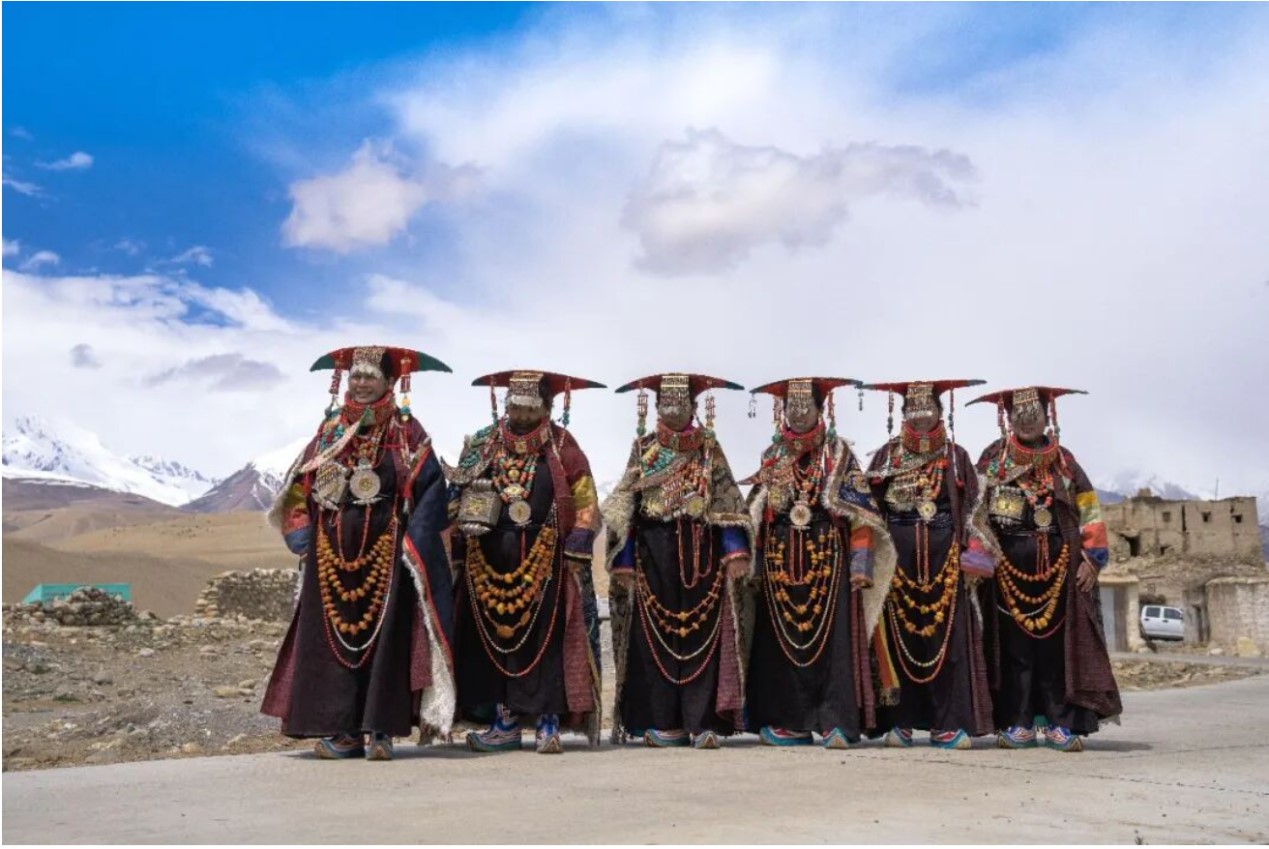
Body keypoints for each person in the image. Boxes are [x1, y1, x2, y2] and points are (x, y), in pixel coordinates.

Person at [261, 345, 456, 761]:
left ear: (390, 382)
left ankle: (381, 731)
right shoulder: (330, 431)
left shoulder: (407, 432)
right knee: (331, 645)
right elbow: (298, 487)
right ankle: (344, 732)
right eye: (357, 376)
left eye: (371, 376)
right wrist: (302, 535)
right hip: (330, 556)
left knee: (386, 643)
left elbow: (431, 489)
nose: (363, 383)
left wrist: (415, 541)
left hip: (386, 557)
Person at [446, 370, 605, 754]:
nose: (520, 411)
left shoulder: (564, 446)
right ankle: (505, 723)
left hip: (547, 562)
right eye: (514, 403)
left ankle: (548, 722)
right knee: (495, 643)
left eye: (529, 405)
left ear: (547, 407)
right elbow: (456, 495)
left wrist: (577, 548)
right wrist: (463, 524)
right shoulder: (483, 443)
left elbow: (586, 501)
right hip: (487, 560)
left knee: (546, 642)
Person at [742, 377, 897, 748]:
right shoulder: (772, 456)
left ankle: (836, 722)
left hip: (829, 561)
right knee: (781, 645)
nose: (798, 414)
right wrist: (755, 563)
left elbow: (862, 513)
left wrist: (861, 565)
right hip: (780, 564)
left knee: (834, 646)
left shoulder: (838, 453)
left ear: (819, 408)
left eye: (804, 407)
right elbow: (758, 511)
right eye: (791, 408)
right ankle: (790, 721)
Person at [601, 373, 753, 749]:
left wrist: (735, 550)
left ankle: (703, 722)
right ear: (656, 407)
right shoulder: (644, 449)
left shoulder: (708, 449)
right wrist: (622, 559)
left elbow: (725, 499)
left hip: (703, 553)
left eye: (680, 402)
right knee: (655, 634)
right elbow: (627, 504)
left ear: (693, 406)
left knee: (704, 635)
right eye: (665, 403)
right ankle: (660, 720)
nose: (673, 409)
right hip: (652, 552)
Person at [967, 386, 1122, 752]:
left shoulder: (1064, 462)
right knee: (1014, 649)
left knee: (1057, 649)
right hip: (1007, 571)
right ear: (1008, 417)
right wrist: (977, 558)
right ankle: (1017, 721)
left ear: (1046, 414)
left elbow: (1089, 509)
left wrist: (1092, 559)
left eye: (1033, 411)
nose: (1026, 418)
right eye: (1018, 412)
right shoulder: (994, 458)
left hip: (1060, 569)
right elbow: (974, 511)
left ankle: (1061, 721)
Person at [862, 380, 996, 749]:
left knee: (949, 642)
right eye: (913, 410)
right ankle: (899, 721)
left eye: (928, 408)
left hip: (946, 564)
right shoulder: (885, 458)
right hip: (896, 567)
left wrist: (974, 555)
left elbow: (975, 510)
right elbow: (867, 511)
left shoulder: (956, 457)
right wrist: (864, 563)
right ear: (903, 414)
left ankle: (948, 723)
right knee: (896, 641)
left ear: (940, 412)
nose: (921, 416)